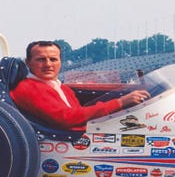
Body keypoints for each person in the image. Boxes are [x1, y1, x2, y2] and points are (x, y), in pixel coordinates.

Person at [10, 40, 150, 131]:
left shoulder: (61, 87)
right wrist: (119, 103)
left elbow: (78, 113)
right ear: (28, 63)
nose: (48, 64)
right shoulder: (28, 88)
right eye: (41, 60)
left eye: (53, 59)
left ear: (60, 62)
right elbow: (66, 118)